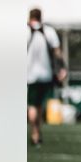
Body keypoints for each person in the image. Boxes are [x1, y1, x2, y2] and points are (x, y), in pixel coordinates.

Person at [27, 8, 66, 147]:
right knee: (38, 105)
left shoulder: (25, 31)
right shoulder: (48, 31)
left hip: (28, 75)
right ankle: (37, 132)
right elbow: (57, 51)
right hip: (45, 74)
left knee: (31, 105)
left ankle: (35, 132)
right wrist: (62, 68)